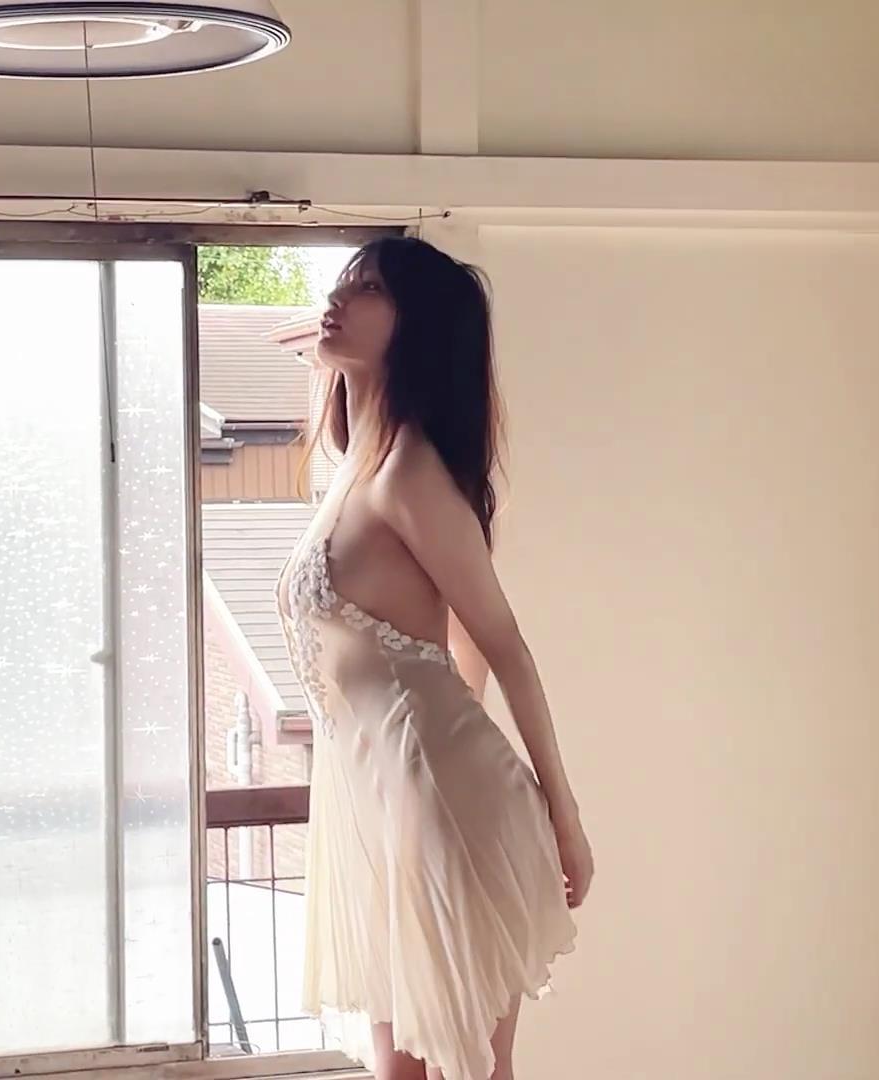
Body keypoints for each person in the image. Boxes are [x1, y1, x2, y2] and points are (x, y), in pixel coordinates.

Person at [277, 237, 592, 1080]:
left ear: (412, 325)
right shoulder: (356, 471)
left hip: (441, 804)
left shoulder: (408, 472)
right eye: (343, 281)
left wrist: (562, 816)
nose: (339, 299)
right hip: (385, 806)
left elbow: (502, 642)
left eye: (369, 288)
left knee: (468, 1072)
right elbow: (456, 650)